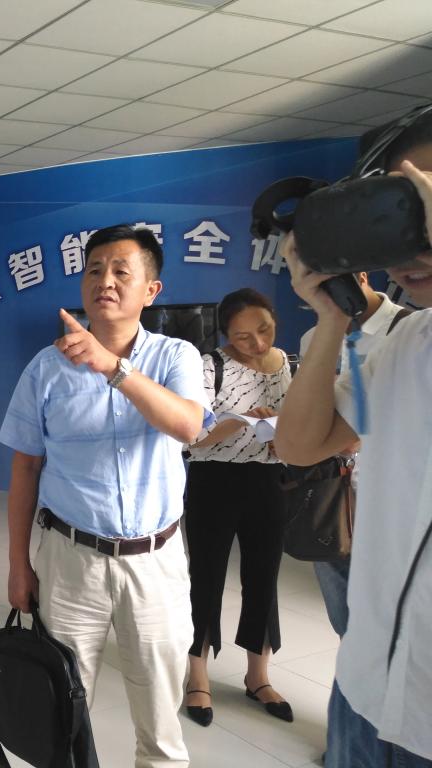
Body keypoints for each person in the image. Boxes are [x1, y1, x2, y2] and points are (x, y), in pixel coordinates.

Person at [0, 223, 212, 768]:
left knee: (161, 727)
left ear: (151, 290)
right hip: (71, 561)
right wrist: (19, 564)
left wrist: (113, 368)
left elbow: (188, 426)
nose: (105, 281)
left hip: (155, 563)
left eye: (121, 271)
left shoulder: (177, 357)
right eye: (94, 270)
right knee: (61, 720)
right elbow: (25, 468)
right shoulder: (46, 368)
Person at [275, 149, 432, 768]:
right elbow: (300, 444)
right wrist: (331, 318)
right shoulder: (402, 343)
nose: (408, 247)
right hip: (367, 683)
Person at [183, 288, 293, 727]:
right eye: (243, 337)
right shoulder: (208, 366)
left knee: (264, 577)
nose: (258, 343)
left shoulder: (287, 363)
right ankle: (197, 675)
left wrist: (281, 435)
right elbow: (191, 439)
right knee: (206, 578)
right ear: (225, 334)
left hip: (268, 481)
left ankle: (258, 675)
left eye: (264, 330)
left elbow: (295, 427)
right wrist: (239, 422)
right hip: (214, 481)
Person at [298, 273, 406, 638]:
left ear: (360, 276)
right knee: (345, 619)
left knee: (392, 624)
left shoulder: (406, 332)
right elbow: (306, 432)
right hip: (330, 491)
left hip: (391, 506)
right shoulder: (314, 338)